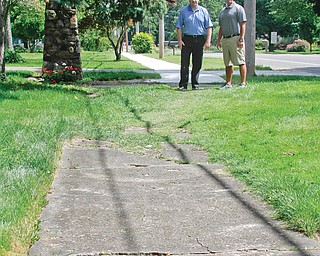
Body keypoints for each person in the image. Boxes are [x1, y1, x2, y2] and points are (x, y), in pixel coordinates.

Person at [176, 0, 212, 91]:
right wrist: (180, 40)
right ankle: (183, 84)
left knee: (197, 63)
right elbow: (179, 26)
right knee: (184, 63)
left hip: (200, 39)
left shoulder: (204, 11)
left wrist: (208, 41)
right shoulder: (184, 11)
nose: (194, 1)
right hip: (187, 39)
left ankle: (195, 84)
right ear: (189, 0)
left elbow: (209, 27)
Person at [217, 0, 247, 89]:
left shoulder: (238, 9)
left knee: (241, 61)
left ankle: (243, 83)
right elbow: (221, 28)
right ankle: (228, 83)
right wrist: (219, 40)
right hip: (225, 39)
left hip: (236, 38)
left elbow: (243, 24)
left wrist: (241, 39)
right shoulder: (223, 11)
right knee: (227, 62)